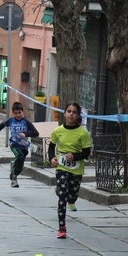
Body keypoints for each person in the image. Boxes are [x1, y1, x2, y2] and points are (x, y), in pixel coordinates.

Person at [48, 102, 92, 239]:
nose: (71, 114)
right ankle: (62, 228)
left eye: (74, 112)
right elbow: (51, 147)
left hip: (76, 169)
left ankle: (66, 194)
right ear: (64, 113)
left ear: (78, 115)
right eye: (69, 111)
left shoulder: (83, 133)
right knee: (63, 197)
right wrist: (52, 159)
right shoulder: (58, 131)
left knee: (72, 197)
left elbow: (87, 152)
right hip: (62, 167)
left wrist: (74, 156)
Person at [0, 102, 40, 188]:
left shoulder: (26, 122)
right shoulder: (11, 121)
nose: (18, 115)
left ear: (22, 112)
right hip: (14, 144)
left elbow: (36, 133)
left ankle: (14, 173)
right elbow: (2, 125)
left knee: (20, 162)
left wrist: (25, 134)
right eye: (16, 113)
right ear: (13, 113)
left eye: (19, 113)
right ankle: (14, 178)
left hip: (24, 146)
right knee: (19, 156)